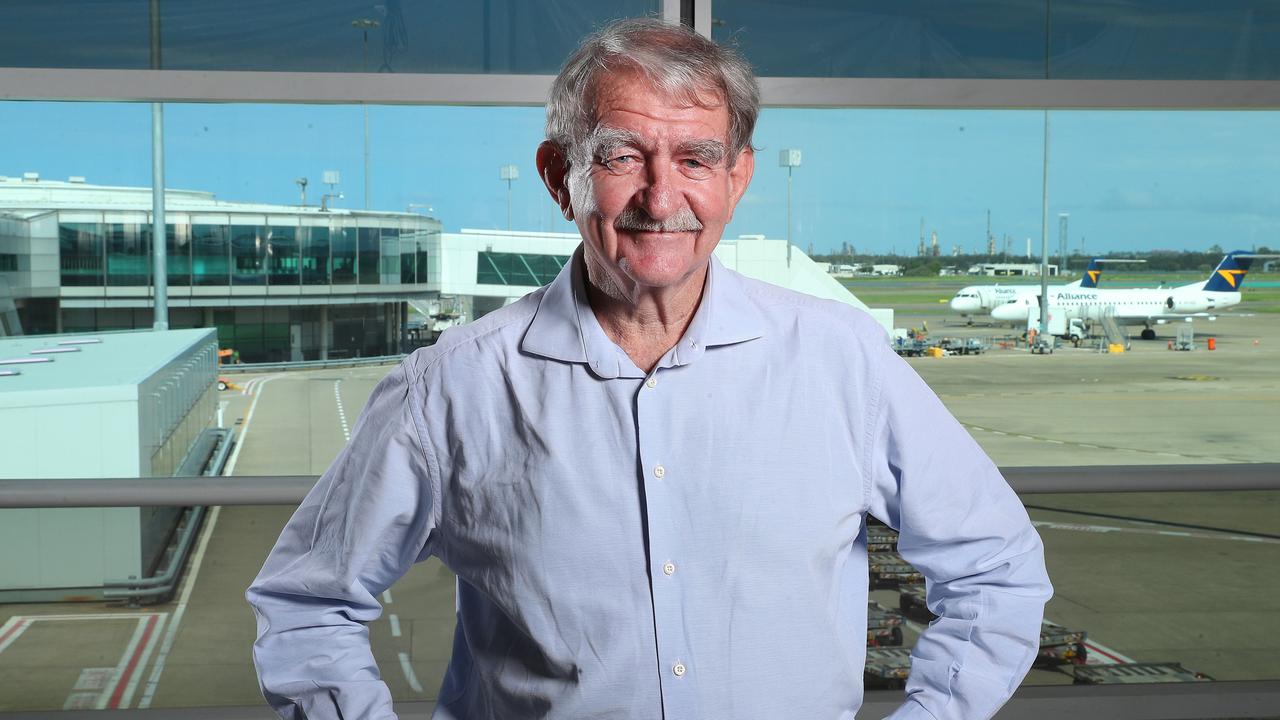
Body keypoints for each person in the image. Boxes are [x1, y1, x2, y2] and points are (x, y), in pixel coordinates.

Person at [247, 18, 1051, 720]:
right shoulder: (450, 389)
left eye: (697, 159)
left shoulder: (841, 363)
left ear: (737, 179)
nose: (661, 197)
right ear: (561, 176)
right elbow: (305, 604)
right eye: (624, 156)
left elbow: (997, 570)